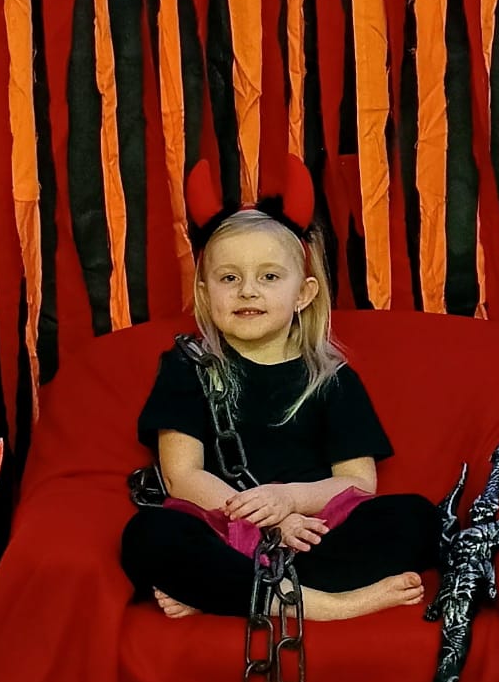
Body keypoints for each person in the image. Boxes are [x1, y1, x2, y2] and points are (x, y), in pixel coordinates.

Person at [120, 202, 442, 620]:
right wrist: (265, 522)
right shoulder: (187, 368)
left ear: (303, 294)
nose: (247, 291)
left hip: (312, 532)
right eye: (229, 278)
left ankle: (225, 592)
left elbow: (359, 481)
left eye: (269, 277)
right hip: (221, 524)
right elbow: (182, 476)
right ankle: (324, 604)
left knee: (418, 518)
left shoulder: (333, 378)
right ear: (203, 292)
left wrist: (288, 501)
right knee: (148, 535)